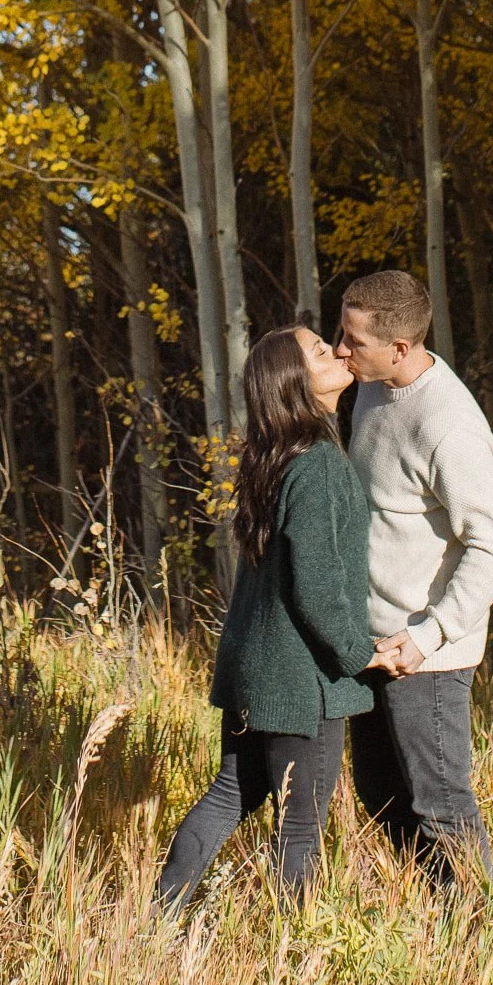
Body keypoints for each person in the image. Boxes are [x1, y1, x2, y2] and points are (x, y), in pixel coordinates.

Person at [155, 322, 374, 912]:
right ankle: (292, 953)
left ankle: (156, 918)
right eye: (318, 351)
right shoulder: (319, 464)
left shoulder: (276, 461)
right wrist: (361, 653)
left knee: (231, 793)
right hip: (302, 682)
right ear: (295, 381)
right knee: (301, 825)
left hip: (256, 672)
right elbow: (318, 588)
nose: (335, 351)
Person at [338, 266, 493, 886]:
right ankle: (442, 913)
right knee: (380, 793)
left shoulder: (448, 425)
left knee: (440, 805)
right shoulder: (371, 385)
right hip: (371, 639)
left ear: (399, 347)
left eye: (353, 341)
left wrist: (429, 635)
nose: (341, 350)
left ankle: (484, 935)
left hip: (425, 652)